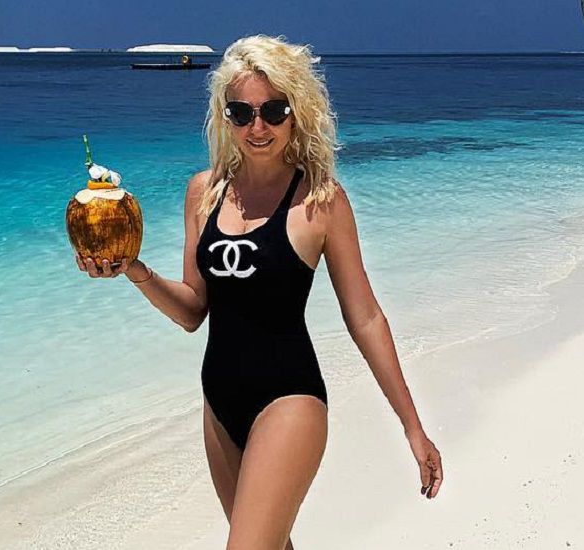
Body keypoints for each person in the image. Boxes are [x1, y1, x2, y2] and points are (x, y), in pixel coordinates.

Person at [76, 34, 443, 550]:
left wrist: (412, 426)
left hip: (290, 398)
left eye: (273, 110)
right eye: (241, 112)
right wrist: (135, 270)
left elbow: (365, 318)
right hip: (219, 401)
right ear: (225, 117)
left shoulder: (321, 202)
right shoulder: (203, 192)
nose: (258, 127)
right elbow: (193, 310)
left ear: (296, 113)